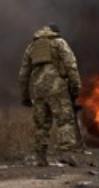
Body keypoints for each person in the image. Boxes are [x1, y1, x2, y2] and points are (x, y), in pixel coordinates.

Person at [18, 24, 83, 167]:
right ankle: (66, 154)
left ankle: (40, 157)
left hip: (38, 90)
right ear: (55, 32)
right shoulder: (59, 43)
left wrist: (25, 96)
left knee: (41, 124)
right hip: (56, 87)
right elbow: (71, 65)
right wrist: (75, 87)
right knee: (65, 120)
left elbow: (23, 74)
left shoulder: (32, 47)